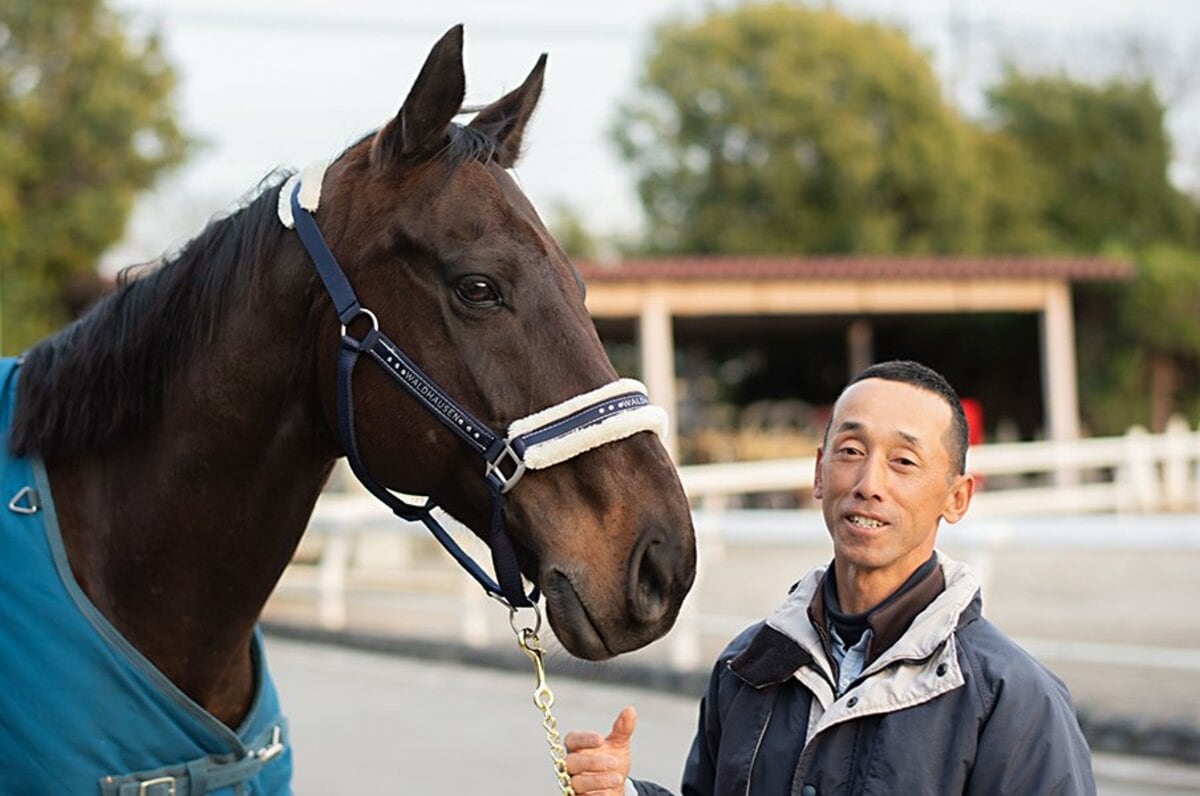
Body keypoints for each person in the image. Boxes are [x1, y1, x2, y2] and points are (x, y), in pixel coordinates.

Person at [565, 360, 1095, 795]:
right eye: (851, 451)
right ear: (819, 473)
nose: (869, 483)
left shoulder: (1012, 699)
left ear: (957, 498)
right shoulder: (749, 666)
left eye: (904, 461)